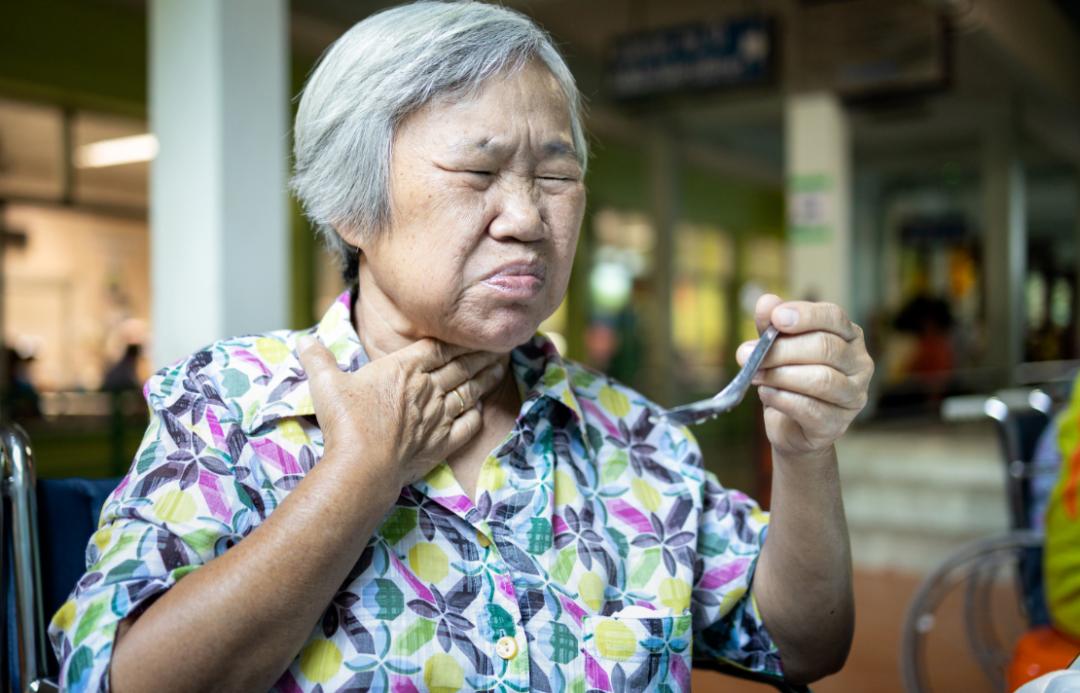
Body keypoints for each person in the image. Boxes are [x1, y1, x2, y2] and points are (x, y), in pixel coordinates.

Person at [49, 3, 874, 691]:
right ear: (352, 204)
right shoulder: (231, 400)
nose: (525, 217)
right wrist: (358, 476)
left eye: (554, 177)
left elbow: (799, 644)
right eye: (478, 176)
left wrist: (804, 451)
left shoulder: (630, 431)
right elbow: (119, 676)